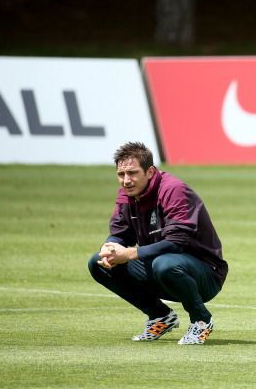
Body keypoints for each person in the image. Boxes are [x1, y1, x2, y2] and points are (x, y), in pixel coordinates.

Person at [88, 142, 228, 345]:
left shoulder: (173, 190)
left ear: (150, 171)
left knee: (164, 264)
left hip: (204, 274)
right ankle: (160, 316)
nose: (126, 181)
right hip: (159, 268)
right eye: (121, 174)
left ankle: (201, 320)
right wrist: (108, 247)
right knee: (98, 263)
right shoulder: (128, 194)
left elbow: (176, 242)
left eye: (132, 173)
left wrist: (128, 254)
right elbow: (120, 233)